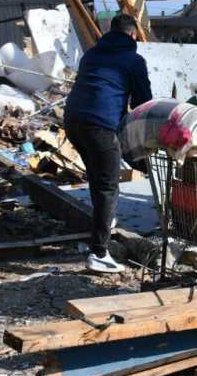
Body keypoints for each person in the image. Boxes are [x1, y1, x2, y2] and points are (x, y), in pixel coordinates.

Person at [64, 14, 152, 273]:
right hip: (100, 125)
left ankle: (103, 224)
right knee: (108, 187)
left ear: (110, 31)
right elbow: (142, 103)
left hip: (73, 122)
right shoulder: (134, 60)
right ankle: (99, 253)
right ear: (133, 34)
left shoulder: (91, 54)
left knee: (98, 178)